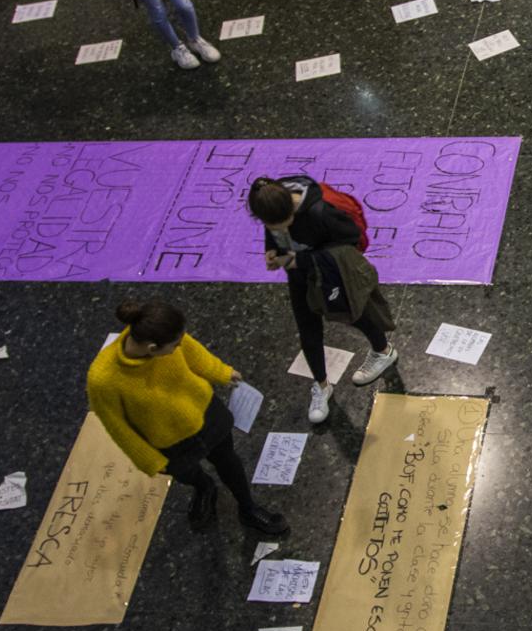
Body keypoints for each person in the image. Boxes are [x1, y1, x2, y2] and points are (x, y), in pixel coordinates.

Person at [87, 299, 289, 537]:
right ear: (152, 349)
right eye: (174, 345)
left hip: (205, 414)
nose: (179, 346)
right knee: (185, 473)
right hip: (169, 441)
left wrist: (221, 372)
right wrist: (149, 460)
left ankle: (247, 507)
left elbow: (193, 351)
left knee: (228, 461)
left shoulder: (164, 333)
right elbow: (116, 426)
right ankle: (204, 487)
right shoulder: (103, 379)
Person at [247, 176, 398, 424]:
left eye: (284, 223)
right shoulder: (271, 203)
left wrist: (299, 260)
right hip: (300, 275)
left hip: (331, 274)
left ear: (291, 207)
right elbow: (273, 230)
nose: (279, 229)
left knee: (354, 315)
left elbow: (351, 239)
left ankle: (383, 351)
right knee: (308, 330)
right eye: (270, 225)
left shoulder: (320, 212)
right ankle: (321, 384)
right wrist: (272, 250)